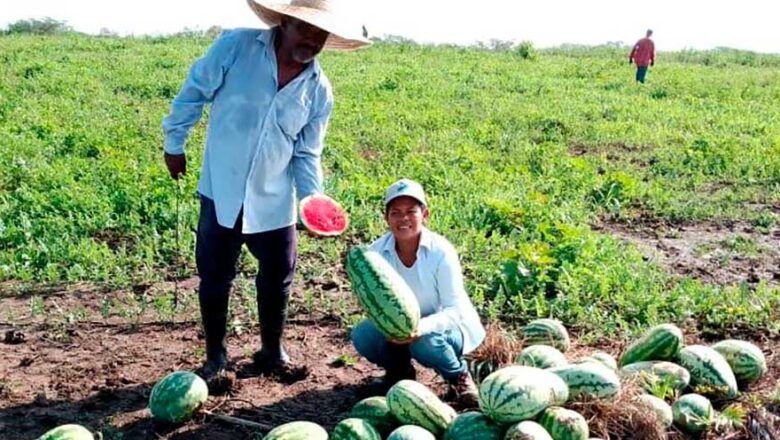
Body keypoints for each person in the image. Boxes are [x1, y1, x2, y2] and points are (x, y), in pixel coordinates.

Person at [161, 0, 369, 384]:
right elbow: (194, 91)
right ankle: (215, 357)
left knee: (278, 276)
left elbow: (307, 153)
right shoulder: (236, 47)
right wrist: (175, 143)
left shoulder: (319, 90)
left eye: (320, 34)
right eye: (305, 29)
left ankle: (272, 351)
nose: (312, 40)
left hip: (275, 200)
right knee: (215, 276)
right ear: (285, 22)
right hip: (221, 189)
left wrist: (312, 199)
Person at [351, 179, 486, 407]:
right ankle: (399, 374)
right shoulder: (375, 254)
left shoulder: (441, 251)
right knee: (363, 335)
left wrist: (418, 328)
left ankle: (459, 378)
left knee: (425, 342)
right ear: (387, 218)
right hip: (403, 327)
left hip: (448, 329)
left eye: (411, 212)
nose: (403, 219)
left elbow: (455, 310)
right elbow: (372, 301)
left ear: (425, 214)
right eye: (395, 212)